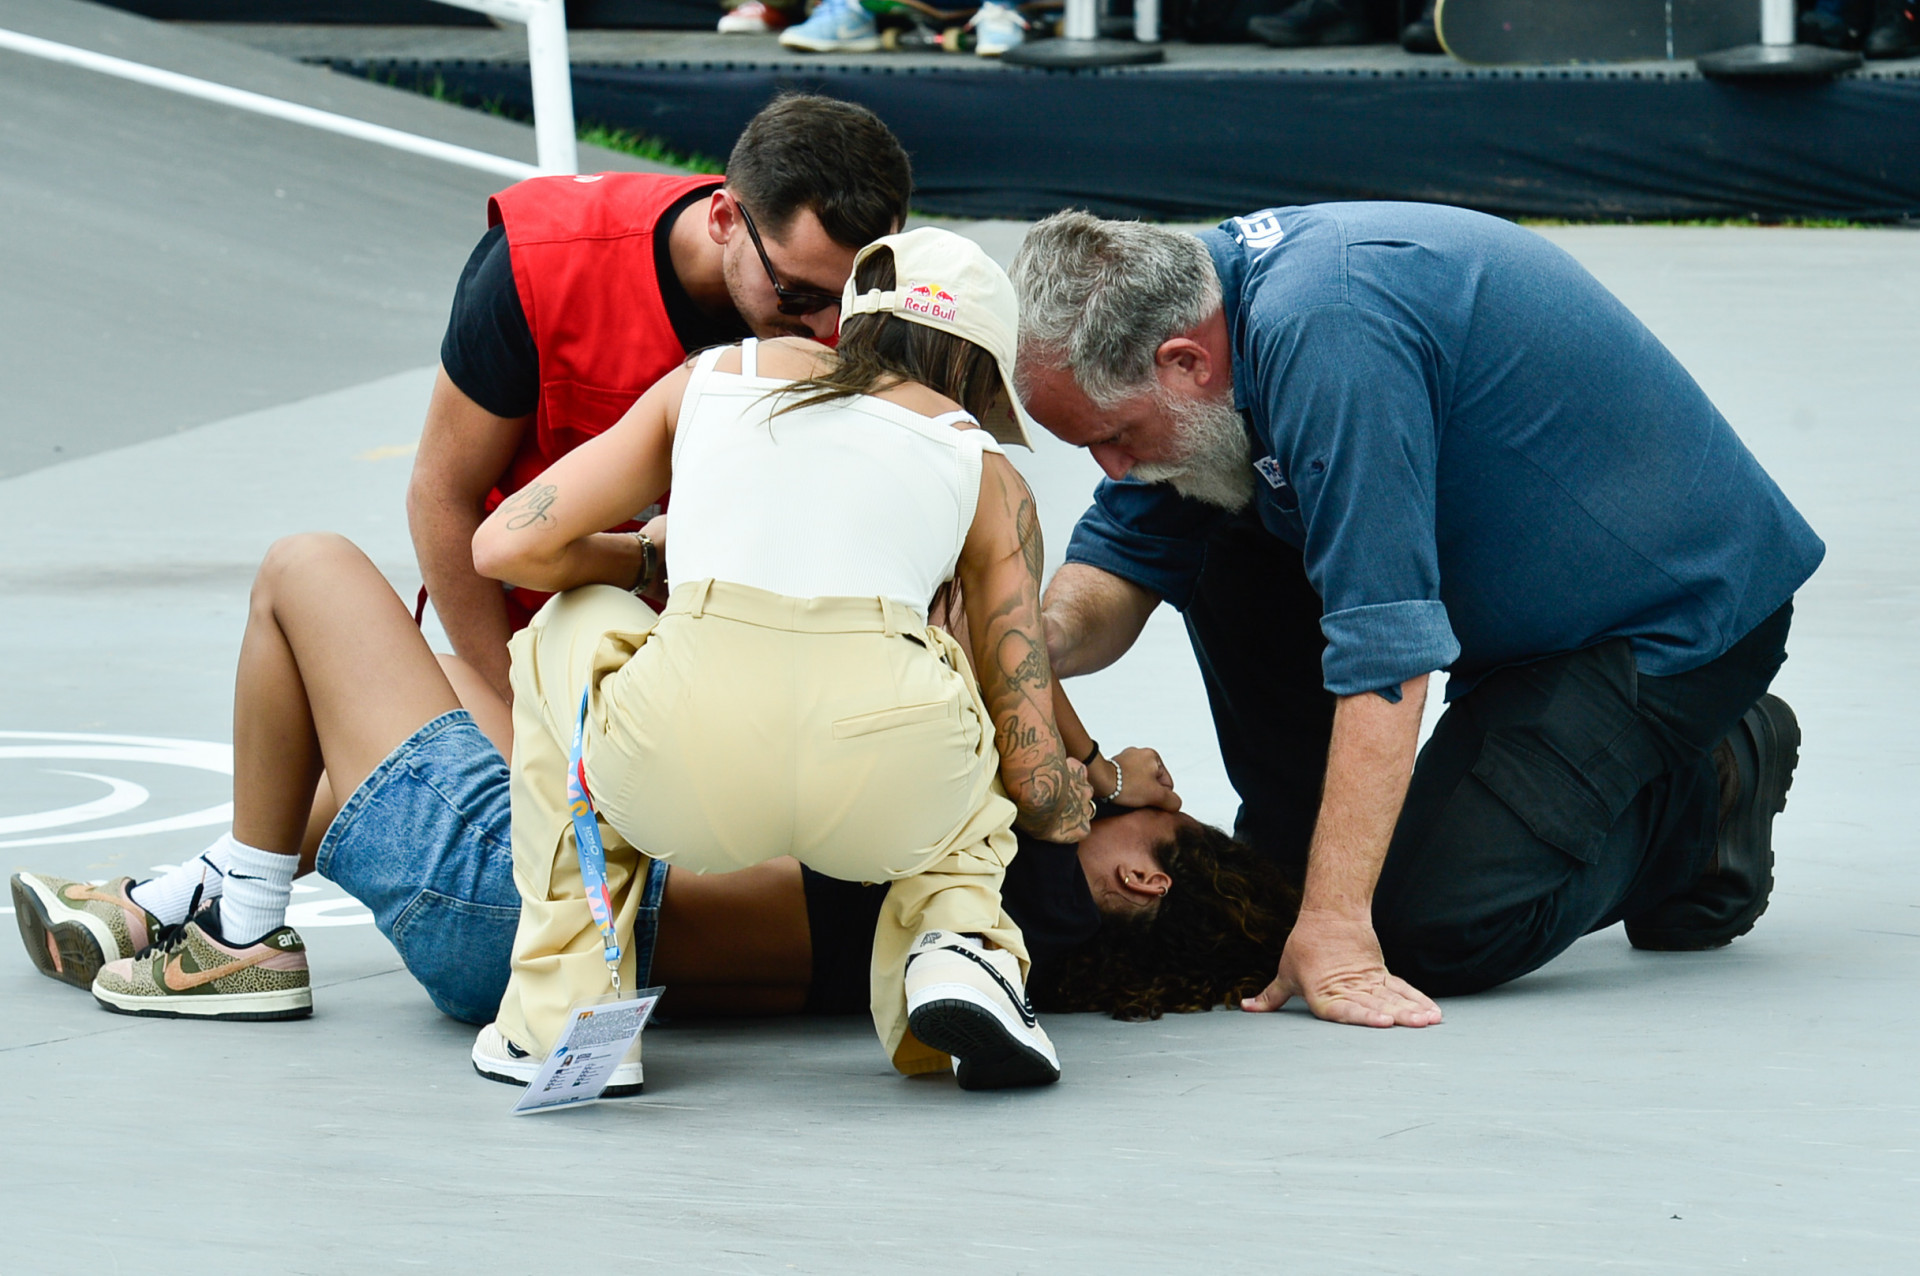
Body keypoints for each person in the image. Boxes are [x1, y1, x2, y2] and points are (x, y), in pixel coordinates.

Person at [1008, 205, 1825, 1030]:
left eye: (1113, 437)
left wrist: (1337, 925)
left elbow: (1386, 652)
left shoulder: (1334, 333)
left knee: (1429, 928)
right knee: (1208, 510)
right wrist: (1028, 641)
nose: (1111, 468)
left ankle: (1712, 785)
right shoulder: (1195, 316)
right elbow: (1119, 561)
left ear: (1184, 363)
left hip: (1659, 629)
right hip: (1507, 601)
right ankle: (1317, 839)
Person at [469, 224, 1194, 1090]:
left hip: (681, 769)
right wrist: (1093, 789)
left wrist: (647, 558)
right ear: (977, 372)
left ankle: (566, 1016)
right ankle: (963, 953)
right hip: (886, 795)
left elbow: (504, 547)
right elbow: (1033, 774)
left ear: (847, 321)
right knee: (958, 702)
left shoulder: (717, 380)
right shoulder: (987, 471)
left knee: (570, 626)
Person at [10, 540, 1238, 1033]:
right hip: (554, 912)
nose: (1142, 784)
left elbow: (981, 620)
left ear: (1138, 870)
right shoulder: (1007, 937)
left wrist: (1093, 769)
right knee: (428, 679)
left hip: (529, 899)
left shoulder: (1035, 889)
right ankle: (177, 898)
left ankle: (238, 930)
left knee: (310, 572)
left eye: (1156, 816)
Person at [412, 92, 913, 706]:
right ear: (724, 218)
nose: (828, 327)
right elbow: (443, 495)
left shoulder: (881, 305)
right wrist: (512, 716)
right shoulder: (542, 263)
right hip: (543, 632)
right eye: (798, 295)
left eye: (854, 296)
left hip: (739, 660)